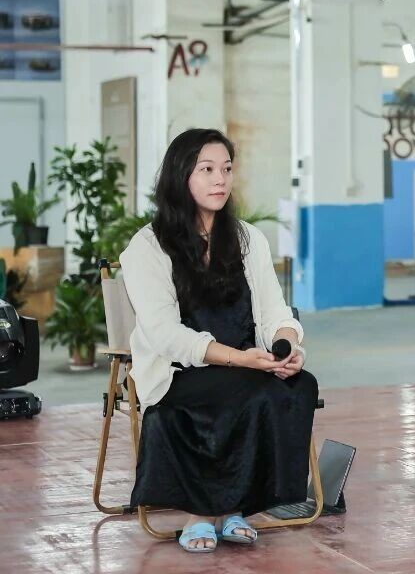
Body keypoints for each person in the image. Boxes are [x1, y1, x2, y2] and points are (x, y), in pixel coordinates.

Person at [123, 128, 315, 553]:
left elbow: (275, 312)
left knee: (299, 384)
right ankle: (203, 513)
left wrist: (286, 348)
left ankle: (234, 509)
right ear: (181, 177)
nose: (220, 180)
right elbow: (166, 336)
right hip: (181, 372)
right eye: (207, 169)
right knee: (244, 390)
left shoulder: (248, 238)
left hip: (249, 364)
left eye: (226, 169)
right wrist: (241, 360)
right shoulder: (148, 246)